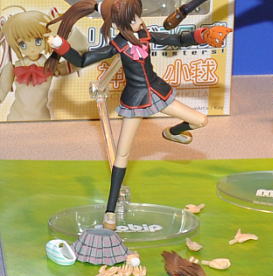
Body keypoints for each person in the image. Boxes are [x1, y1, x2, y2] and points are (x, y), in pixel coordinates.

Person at [45, 0, 230, 230]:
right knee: (121, 157)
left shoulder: (145, 35)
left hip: (159, 93)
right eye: (133, 19)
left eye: (138, 16)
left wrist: (203, 35)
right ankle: (110, 212)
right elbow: (83, 60)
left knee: (201, 120)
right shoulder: (118, 44)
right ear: (119, 24)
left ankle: (172, 132)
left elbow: (177, 40)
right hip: (135, 101)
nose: (140, 21)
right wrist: (62, 47)